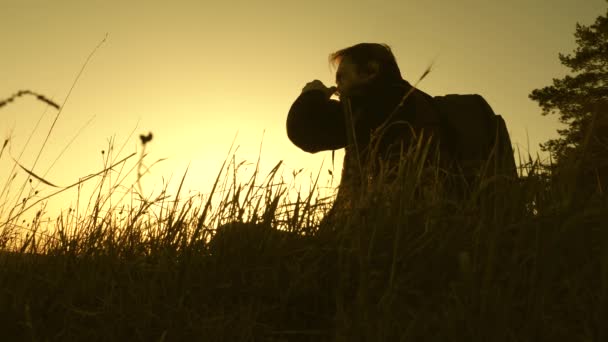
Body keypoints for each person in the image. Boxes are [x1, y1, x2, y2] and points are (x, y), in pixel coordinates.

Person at [286, 43, 448, 222]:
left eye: (342, 78)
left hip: (396, 231)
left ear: (370, 71)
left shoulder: (378, 102)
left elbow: (303, 129)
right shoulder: (414, 102)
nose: (338, 89)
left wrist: (313, 93)